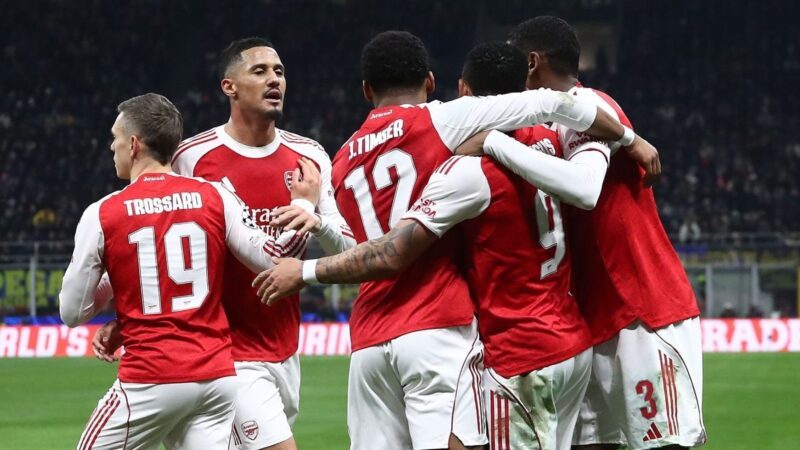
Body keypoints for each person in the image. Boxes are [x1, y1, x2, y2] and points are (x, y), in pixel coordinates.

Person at [254, 30, 654, 450]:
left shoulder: (341, 160)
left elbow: (355, 251)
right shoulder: (444, 121)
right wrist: (630, 138)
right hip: (437, 325)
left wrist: (318, 232)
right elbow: (557, 103)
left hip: (369, 340)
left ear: (367, 89)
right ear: (430, 82)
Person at [94, 37, 355, 450]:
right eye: (260, 71)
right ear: (228, 86)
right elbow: (157, 244)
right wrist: (131, 321)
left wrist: (317, 221)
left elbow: (349, 252)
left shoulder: (310, 157)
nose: (274, 79)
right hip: (224, 352)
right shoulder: (191, 158)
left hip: (285, 348)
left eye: (279, 72)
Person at [59, 93, 317, 450]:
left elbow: (73, 312)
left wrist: (115, 270)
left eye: (115, 138)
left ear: (133, 145)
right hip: (216, 379)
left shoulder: (103, 213)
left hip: (150, 377)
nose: (111, 147)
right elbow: (275, 258)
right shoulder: (215, 196)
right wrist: (303, 205)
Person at [509, 16, 706, 449]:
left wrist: (628, 137)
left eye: (512, 59)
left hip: (640, 311)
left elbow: (585, 187)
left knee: (663, 444)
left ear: (532, 62)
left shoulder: (587, 105)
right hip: (586, 321)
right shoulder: (540, 126)